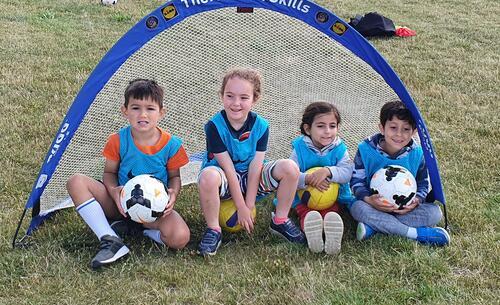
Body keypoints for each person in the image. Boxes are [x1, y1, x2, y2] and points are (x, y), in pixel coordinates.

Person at [66, 79, 190, 269]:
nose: (142, 114)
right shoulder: (118, 140)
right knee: (76, 182)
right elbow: (109, 172)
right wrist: (114, 191)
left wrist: (173, 193)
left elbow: (174, 177)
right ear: (125, 111)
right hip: (120, 207)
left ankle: (141, 231)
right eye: (135, 108)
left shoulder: (172, 145)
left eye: (150, 108)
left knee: (181, 238)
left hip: (154, 211)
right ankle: (110, 238)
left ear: (161, 113)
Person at [197, 67, 306, 256]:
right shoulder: (214, 126)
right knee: (208, 177)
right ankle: (213, 230)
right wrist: (240, 206)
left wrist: (249, 205)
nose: (236, 103)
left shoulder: (261, 126)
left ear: (255, 99)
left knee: (290, 168)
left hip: (250, 178)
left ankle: (280, 221)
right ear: (221, 95)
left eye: (244, 98)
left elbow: (256, 166)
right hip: (224, 179)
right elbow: (228, 168)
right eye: (229, 96)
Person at [350, 100, 450, 246]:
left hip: (405, 210)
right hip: (373, 206)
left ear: (414, 132)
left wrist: (417, 201)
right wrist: (369, 200)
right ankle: (416, 234)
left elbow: (424, 183)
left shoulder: (418, 153)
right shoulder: (366, 149)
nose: (399, 134)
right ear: (382, 128)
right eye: (393, 127)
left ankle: (374, 227)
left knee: (435, 213)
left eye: (406, 129)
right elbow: (356, 181)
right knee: (357, 208)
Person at [289, 101, 353, 254]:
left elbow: (347, 172)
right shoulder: (299, 149)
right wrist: (308, 179)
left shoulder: (339, 148)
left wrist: (328, 171)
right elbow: (289, 175)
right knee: (307, 212)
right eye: (320, 126)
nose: (327, 131)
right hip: (305, 197)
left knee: (331, 212)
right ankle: (312, 232)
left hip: (332, 198)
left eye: (332, 126)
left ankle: (331, 228)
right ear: (307, 129)